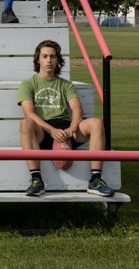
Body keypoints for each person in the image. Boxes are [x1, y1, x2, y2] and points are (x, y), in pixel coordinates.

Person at [18, 40, 115, 197]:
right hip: (43, 131)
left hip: (66, 130)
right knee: (25, 123)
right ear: (38, 59)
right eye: (44, 56)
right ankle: (36, 179)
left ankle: (95, 179)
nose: (49, 60)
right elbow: (29, 113)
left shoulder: (65, 85)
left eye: (52, 56)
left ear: (57, 60)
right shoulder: (28, 84)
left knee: (96, 123)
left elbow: (77, 108)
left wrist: (72, 127)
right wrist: (51, 130)